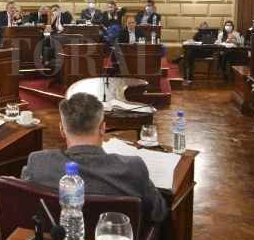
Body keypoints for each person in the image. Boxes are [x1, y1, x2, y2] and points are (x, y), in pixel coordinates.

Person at [22, 93, 167, 224]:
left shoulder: (38, 163)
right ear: (103, 128)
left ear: (62, 130)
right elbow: (158, 213)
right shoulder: (133, 168)